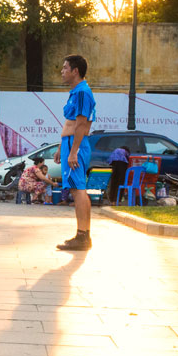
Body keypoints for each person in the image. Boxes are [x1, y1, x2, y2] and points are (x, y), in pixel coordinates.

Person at [55, 55, 96, 251]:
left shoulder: (82, 93)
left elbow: (80, 125)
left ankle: (82, 236)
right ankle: (83, 235)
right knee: (77, 188)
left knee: (77, 189)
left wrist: (73, 151)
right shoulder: (76, 92)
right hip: (69, 143)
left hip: (75, 145)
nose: (62, 71)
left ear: (75, 71)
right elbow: (69, 123)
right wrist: (60, 147)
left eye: (65, 68)